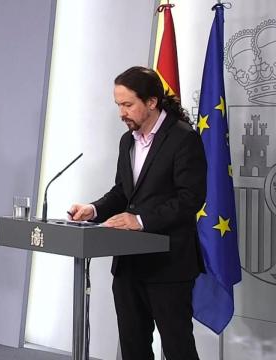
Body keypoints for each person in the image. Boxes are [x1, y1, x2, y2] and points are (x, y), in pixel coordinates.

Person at [68, 66, 206, 360]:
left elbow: (190, 199)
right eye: (118, 105)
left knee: (177, 347)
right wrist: (92, 209)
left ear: (152, 102)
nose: (121, 112)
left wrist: (141, 221)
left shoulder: (184, 138)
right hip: (129, 263)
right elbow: (123, 192)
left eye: (128, 104)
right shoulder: (127, 141)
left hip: (169, 264)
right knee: (133, 347)